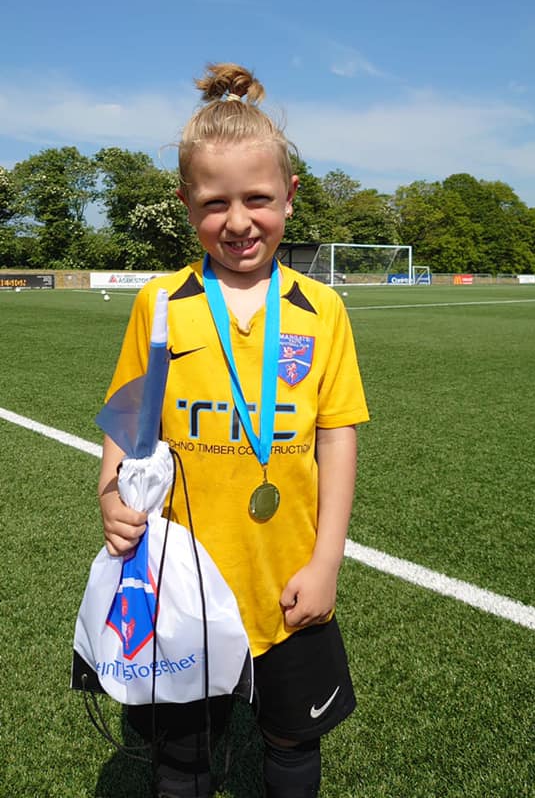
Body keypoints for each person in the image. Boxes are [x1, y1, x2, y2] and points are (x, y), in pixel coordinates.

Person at [97, 63, 370, 798]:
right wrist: (107, 489)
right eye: (216, 204)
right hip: (177, 582)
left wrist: (327, 564)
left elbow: (337, 437)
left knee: (291, 738)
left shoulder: (321, 310)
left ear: (291, 196)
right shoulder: (161, 303)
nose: (239, 221)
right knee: (184, 755)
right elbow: (130, 415)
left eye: (258, 198)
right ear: (187, 205)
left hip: (287, 575)